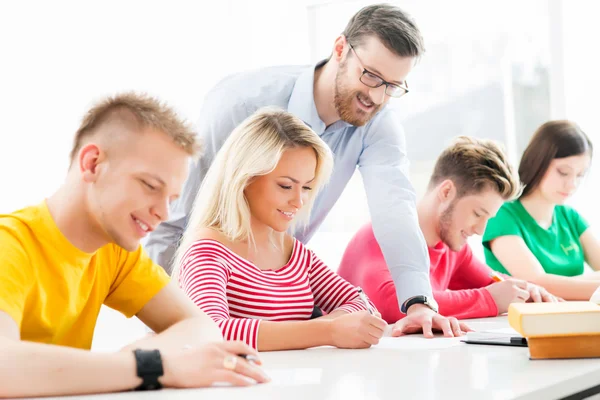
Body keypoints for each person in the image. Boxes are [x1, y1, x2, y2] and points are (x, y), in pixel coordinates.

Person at [145, 3, 459, 335]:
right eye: (370, 76)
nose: (377, 97)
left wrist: (418, 301)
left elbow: (394, 206)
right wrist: (171, 327)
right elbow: (172, 225)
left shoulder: (377, 123)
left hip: (282, 310)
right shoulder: (239, 104)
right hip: (211, 298)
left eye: (392, 87)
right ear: (340, 49)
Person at [0, 93, 269, 398]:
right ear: (92, 164)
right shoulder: (9, 245)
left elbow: (201, 328)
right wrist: (151, 367)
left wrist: (128, 364)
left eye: (171, 199)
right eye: (150, 186)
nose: (163, 214)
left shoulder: (115, 252)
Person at [173, 108, 387, 351]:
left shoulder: (294, 253)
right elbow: (212, 331)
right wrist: (327, 331)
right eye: (286, 186)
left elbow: (361, 302)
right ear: (244, 179)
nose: (299, 201)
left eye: (307, 187)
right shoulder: (207, 252)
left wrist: (327, 328)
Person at [338, 137, 558, 327]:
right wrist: (488, 300)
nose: (480, 230)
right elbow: (391, 303)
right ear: (446, 192)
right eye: (477, 213)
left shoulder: (452, 248)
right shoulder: (381, 233)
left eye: (487, 219)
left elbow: (494, 282)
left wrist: (527, 290)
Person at [483, 120, 600, 300]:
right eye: (563, 172)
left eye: (579, 175)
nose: (572, 184)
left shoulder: (570, 217)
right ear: (538, 162)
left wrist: (562, 285)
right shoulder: (502, 215)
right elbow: (536, 283)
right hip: (521, 324)